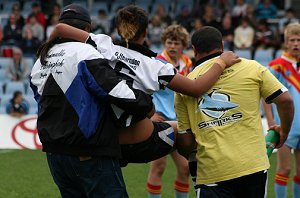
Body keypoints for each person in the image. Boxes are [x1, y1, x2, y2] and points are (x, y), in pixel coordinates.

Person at [48, 5, 240, 169]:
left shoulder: (102, 44)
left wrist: (48, 45)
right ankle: (203, 182)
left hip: (101, 136)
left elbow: (59, 28)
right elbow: (197, 88)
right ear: (145, 33)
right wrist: (222, 62)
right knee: (182, 132)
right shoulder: (155, 66)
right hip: (137, 143)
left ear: (118, 30)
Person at [30, 4, 155, 197]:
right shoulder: (85, 52)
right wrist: (146, 104)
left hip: (55, 156)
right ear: (87, 29)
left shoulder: (40, 60)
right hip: (89, 152)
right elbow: (115, 90)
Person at [174, 26, 294, 198]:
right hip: (253, 168)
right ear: (222, 46)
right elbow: (286, 100)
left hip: (212, 172)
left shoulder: (185, 85)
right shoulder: (252, 67)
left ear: (194, 50)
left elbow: (186, 141)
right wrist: (284, 131)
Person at [147, 24, 192, 198]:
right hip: (162, 121)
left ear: (183, 45)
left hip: (180, 120)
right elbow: (145, 88)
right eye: (169, 42)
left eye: (176, 43)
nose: (172, 46)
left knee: (185, 168)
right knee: (159, 166)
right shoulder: (156, 62)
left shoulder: (187, 62)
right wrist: (150, 114)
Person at [263, 23, 300, 198]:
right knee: (284, 169)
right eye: (292, 40)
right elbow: (265, 95)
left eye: (299, 40)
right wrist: (271, 122)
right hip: (285, 127)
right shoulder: (278, 65)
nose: (296, 44)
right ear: (286, 43)